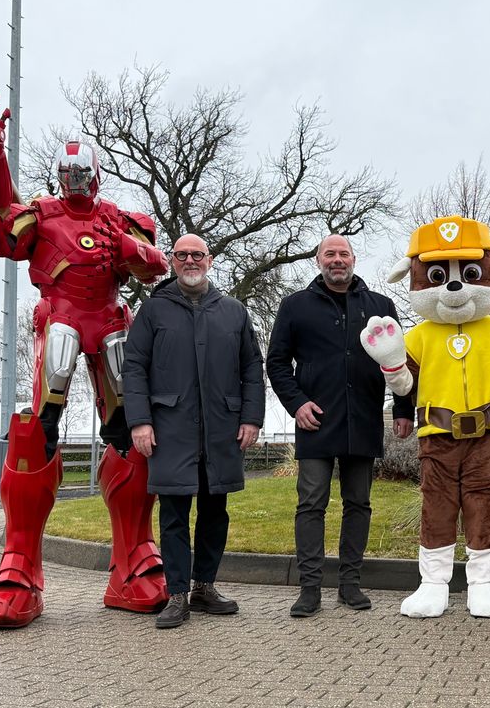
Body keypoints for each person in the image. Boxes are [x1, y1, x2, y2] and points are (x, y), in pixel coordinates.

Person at [0, 92, 170, 628]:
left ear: (95, 176)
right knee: (37, 422)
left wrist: (135, 252)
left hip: (107, 320)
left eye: (83, 175)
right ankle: (20, 562)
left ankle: (134, 555)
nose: (75, 183)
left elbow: (157, 263)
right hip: (58, 315)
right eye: (68, 174)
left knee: (133, 426)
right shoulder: (42, 214)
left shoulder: (116, 219)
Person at [267, 234, 414, 617]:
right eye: (329, 254)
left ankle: (350, 584)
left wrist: (403, 409)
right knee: (311, 503)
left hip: (363, 417)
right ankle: (310, 588)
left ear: (353, 259)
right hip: (315, 419)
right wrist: (297, 404)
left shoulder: (380, 307)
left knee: (359, 503)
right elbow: (277, 363)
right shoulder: (295, 306)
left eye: (343, 254)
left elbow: (398, 361)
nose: (337, 260)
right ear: (319, 260)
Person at [124, 234, 265, 629]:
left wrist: (251, 418)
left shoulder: (234, 311)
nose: (190, 260)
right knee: (173, 515)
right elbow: (133, 368)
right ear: (172, 260)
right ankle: (177, 594)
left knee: (215, 513)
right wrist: (140, 421)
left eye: (197, 254)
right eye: (183, 255)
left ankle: (204, 587)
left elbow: (253, 369)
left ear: (210, 260)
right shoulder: (152, 311)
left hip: (221, 430)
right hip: (170, 430)